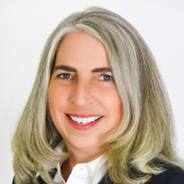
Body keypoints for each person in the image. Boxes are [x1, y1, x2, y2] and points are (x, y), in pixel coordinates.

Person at [12, 6, 184, 184]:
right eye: (65, 75)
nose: (80, 98)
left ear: (137, 93)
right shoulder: (29, 178)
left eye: (105, 77)